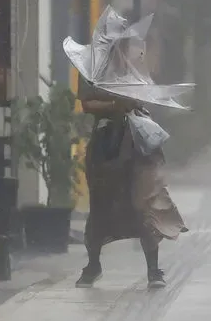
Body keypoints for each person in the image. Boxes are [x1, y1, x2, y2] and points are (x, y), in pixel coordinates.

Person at [75, 55, 188, 289]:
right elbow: (86, 103)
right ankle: (93, 265)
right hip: (107, 142)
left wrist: (135, 100)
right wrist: (115, 105)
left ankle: (153, 270)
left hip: (137, 139)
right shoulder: (90, 67)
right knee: (101, 205)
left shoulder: (133, 62)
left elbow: (146, 93)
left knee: (144, 201)